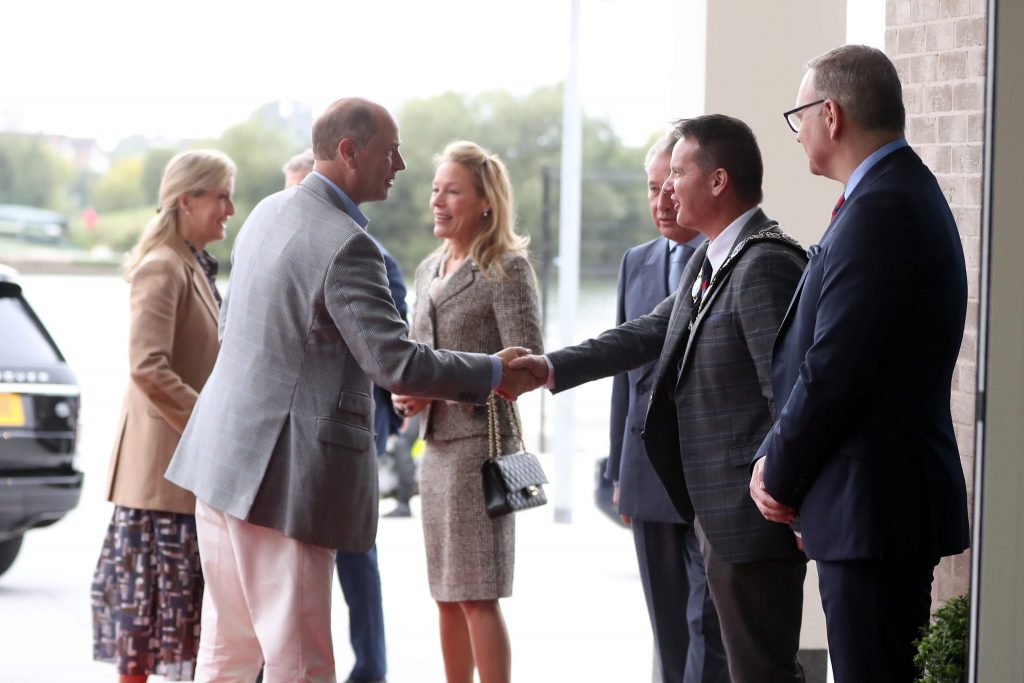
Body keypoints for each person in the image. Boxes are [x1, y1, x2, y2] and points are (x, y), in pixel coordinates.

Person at [164, 99, 533, 683]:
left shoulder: (265, 212)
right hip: (282, 481)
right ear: (348, 151)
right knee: (301, 660)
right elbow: (394, 362)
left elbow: (233, 332)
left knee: (228, 650)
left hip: (222, 461)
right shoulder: (345, 242)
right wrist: (492, 370)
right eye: (391, 150)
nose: (402, 165)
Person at [508, 114, 809, 683]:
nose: (666, 189)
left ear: (717, 182)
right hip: (716, 515)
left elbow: (789, 397)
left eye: (677, 172)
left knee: (759, 671)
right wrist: (549, 367)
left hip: (750, 524)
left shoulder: (763, 263)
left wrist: (785, 491)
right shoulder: (713, 260)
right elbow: (646, 333)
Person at [749, 45, 970, 683]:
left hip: (875, 508)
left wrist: (779, 475)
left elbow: (837, 369)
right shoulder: (885, 193)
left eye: (800, 118)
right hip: (870, 504)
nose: (799, 135)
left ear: (832, 114)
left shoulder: (881, 209)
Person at [391, 140, 543, 683]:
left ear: (485, 201)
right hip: (434, 449)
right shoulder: (429, 268)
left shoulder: (507, 268)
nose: (438, 200)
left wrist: (438, 388)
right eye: (435, 189)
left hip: (482, 454)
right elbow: (417, 354)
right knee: (446, 595)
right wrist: (407, 393)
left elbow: (525, 366)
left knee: (478, 593)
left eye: (452, 191)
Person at [91, 149, 236, 682]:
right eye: (220, 195)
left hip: (181, 476)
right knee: (150, 638)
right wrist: (212, 427)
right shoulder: (163, 265)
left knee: (172, 635)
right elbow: (147, 369)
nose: (230, 207)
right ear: (186, 200)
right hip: (160, 483)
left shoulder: (191, 262)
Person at [607, 131, 728, 683]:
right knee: (668, 625)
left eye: (670, 187)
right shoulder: (636, 262)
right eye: (652, 188)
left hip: (709, 476)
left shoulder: (730, 259)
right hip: (646, 473)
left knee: (710, 622)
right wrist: (617, 470)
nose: (661, 202)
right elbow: (622, 378)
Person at [282, 148, 392, 683]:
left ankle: (371, 667)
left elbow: (393, 354)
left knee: (356, 562)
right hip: (300, 447)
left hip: (350, 438)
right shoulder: (290, 241)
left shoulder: (361, 251)